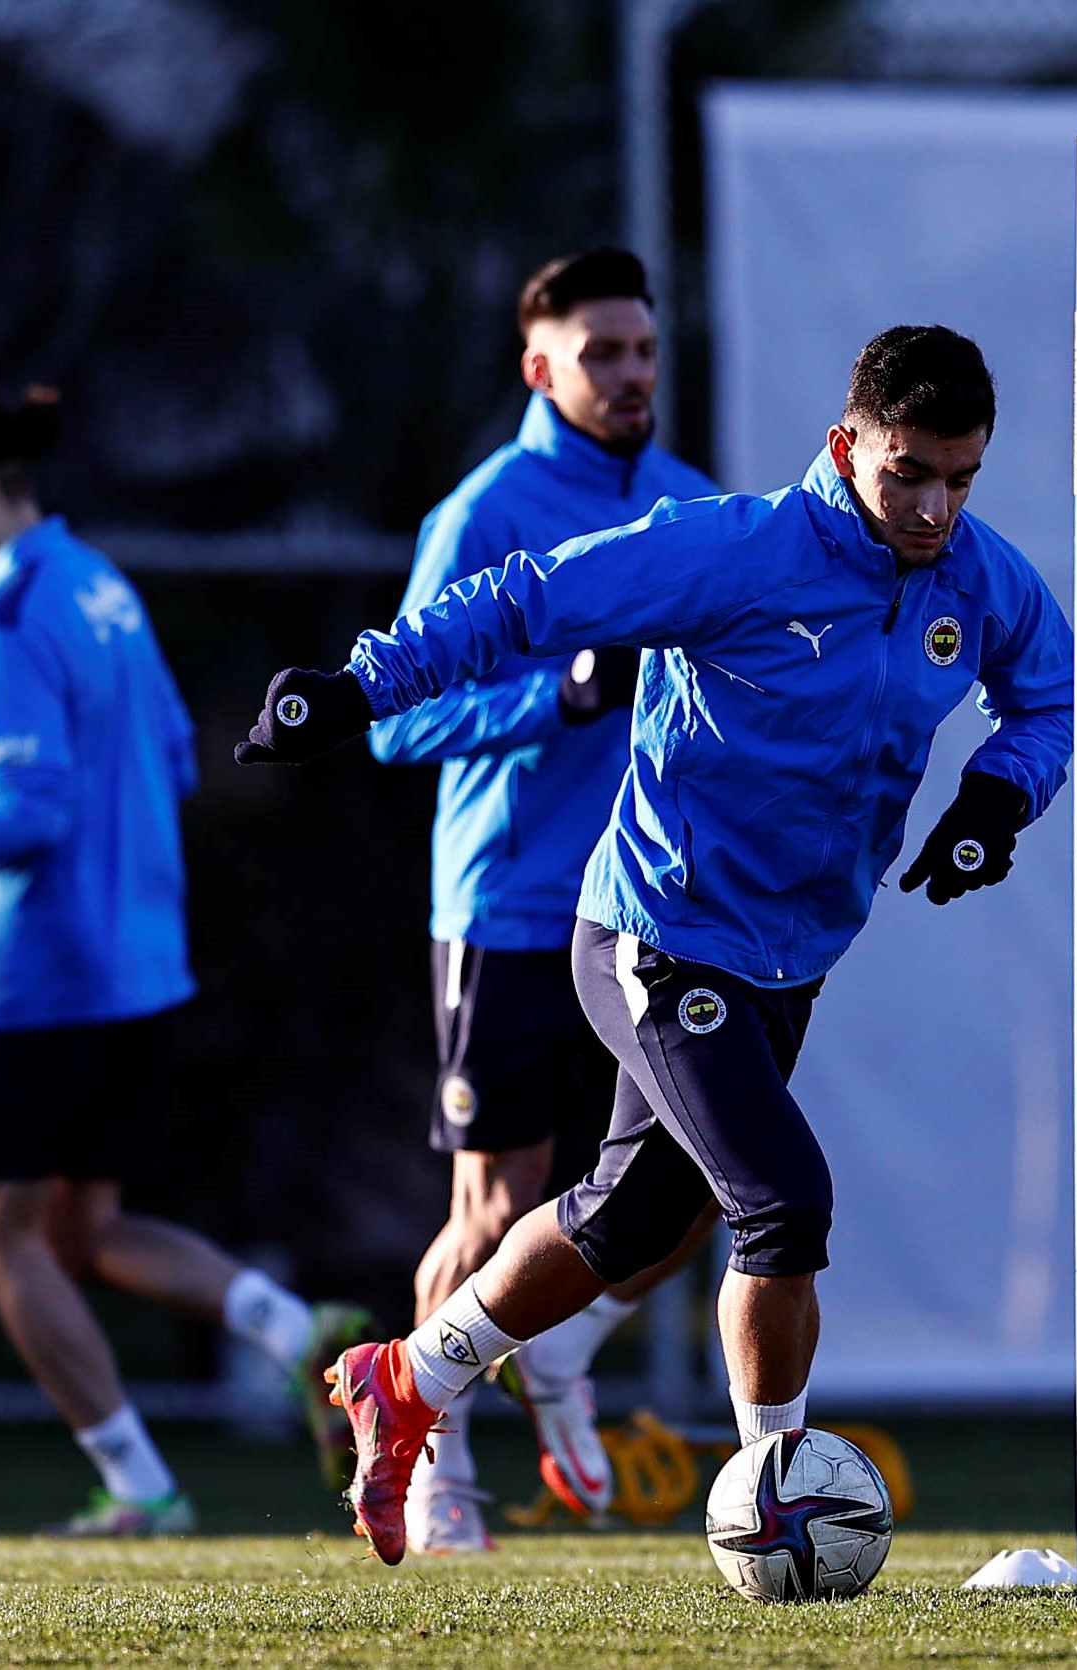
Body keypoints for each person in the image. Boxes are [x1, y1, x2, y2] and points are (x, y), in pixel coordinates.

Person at [235, 324, 1073, 1566]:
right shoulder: (736, 549)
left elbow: (1046, 688)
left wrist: (999, 798)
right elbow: (528, 597)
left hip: (791, 956)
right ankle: (777, 1505)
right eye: (909, 473)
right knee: (784, 1204)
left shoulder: (977, 577)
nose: (934, 508)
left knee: (625, 1222)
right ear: (847, 449)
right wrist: (361, 686)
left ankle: (404, 1378)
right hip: (658, 931)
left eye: (961, 478)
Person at [0, 382, 366, 1536]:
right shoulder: (103, 587)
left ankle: (140, 1487)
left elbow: (31, 810)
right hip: (137, 965)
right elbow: (173, 757)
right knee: (82, 1228)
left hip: (39, 977)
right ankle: (292, 1328)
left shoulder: (11, 614)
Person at [366, 249, 724, 1553]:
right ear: (541, 368)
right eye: (601, 355)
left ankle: (564, 1347)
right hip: (511, 906)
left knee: (697, 1178)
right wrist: (553, 696)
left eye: (643, 351)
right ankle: (430, 1453)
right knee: (492, 1197)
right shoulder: (484, 512)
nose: (630, 375)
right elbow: (393, 727)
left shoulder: (692, 507)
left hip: (652, 908)